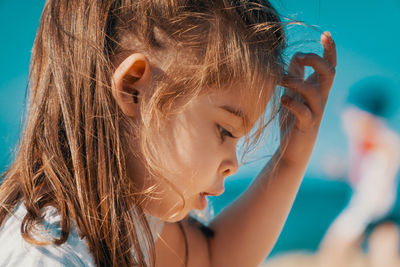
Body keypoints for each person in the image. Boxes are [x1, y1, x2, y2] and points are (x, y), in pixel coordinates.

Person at [0, 1, 336, 266]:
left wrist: (291, 158)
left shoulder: (131, 220)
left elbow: (216, 256)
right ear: (134, 89)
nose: (233, 164)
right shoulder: (47, 253)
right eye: (225, 130)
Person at [318, 77, 400, 267]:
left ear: (364, 115)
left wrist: (360, 220)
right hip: (379, 211)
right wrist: (342, 170)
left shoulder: (383, 143)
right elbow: (367, 176)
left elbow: (379, 184)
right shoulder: (366, 143)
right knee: (383, 257)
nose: (346, 120)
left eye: (350, 113)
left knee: (333, 251)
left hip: (375, 210)